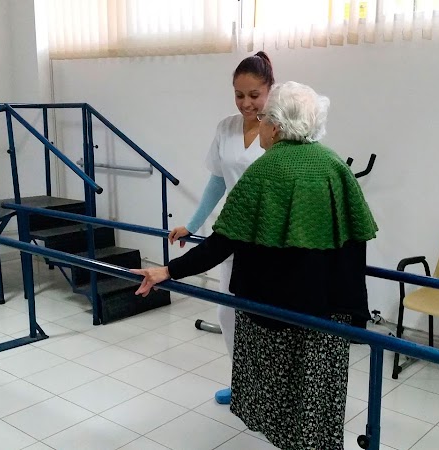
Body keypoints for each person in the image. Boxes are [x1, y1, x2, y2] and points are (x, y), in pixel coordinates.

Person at [133, 81, 378, 450]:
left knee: (278, 397)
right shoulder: (334, 166)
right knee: (316, 399)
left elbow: (223, 242)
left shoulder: (265, 170)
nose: (259, 126)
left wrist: (168, 271)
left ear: (275, 127)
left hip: (276, 314)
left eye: (263, 119)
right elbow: (355, 239)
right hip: (327, 314)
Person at [167, 51, 275, 405]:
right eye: (239, 95)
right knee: (227, 312)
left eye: (254, 95)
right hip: (232, 233)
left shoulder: (279, 128)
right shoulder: (226, 127)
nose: (246, 103)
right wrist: (192, 224)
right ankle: (243, 383)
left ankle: (270, 393)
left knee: (266, 319)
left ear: (270, 90)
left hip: (269, 240)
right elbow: (218, 180)